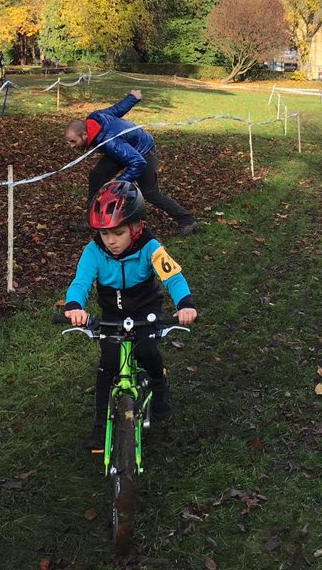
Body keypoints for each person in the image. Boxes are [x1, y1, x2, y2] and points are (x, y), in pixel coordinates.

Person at [62, 180, 198, 451]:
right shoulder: (94, 251)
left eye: (118, 232)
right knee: (108, 364)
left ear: (137, 227)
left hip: (145, 310)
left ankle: (159, 385)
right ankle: (101, 425)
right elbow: (81, 281)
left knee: (146, 351)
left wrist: (185, 305)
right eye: (104, 234)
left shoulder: (151, 247)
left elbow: (173, 277)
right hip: (112, 313)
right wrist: (74, 306)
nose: (110, 241)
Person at [64, 90, 199, 236]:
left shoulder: (111, 143)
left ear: (85, 135)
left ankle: (187, 220)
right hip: (124, 149)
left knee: (150, 192)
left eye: (73, 141)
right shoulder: (95, 117)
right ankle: (92, 219)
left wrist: (119, 184)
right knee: (97, 175)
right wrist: (133, 97)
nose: (71, 146)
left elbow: (138, 162)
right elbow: (117, 109)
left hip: (143, 152)